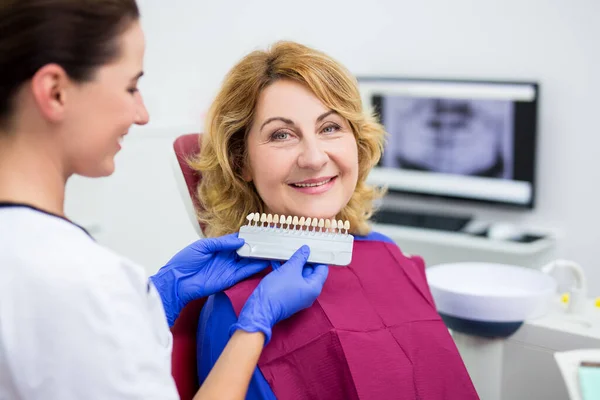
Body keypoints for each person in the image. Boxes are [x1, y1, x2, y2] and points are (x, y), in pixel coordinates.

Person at [0, 1, 328, 399]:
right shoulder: (81, 283)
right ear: (54, 92)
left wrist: (159, 295)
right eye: (130, 86)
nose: (142, 114)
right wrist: (253, 325)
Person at [191, 41, 480, 399]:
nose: (314, 158)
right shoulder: (235, 307)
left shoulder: (391, 257)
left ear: (357, 143)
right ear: (241, 162)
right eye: (281, 134)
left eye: (330, 128)